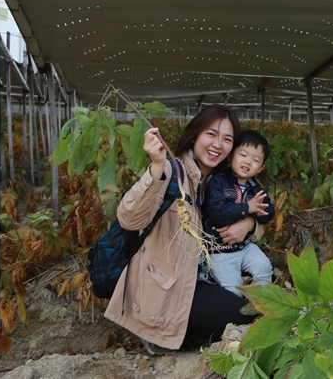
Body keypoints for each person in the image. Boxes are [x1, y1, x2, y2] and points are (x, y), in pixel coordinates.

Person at [104, 105, 258, 355]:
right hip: (165, 288)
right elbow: (129, 218)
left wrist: (249, 223)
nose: (218, 144)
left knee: (249, 307)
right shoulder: (170, 171)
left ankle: (182, 334)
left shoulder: (219, 184)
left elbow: (255, 215)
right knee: (240, 315)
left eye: (227, 139)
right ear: (194, 135)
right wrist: (155, 168)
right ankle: (162, 336)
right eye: (211, 134)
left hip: (195, 277)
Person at [203, 129, 275, 297]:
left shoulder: (254, 187)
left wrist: (261, 213)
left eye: (255, 160)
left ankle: (263, 302)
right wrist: (248, 208)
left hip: (245, 247)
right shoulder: (218, 182)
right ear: (230, 156)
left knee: (264, 268)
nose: (248, 162)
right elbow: (217, 212)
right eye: (243, 155)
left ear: (260, 168)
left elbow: (268, 212)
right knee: (233, 289)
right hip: (219, 250)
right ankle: (238, 312)